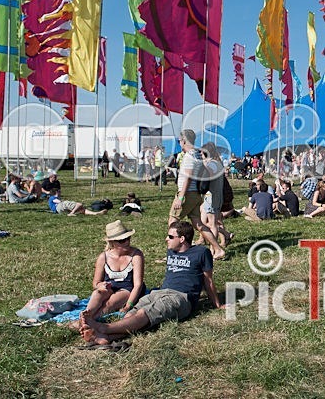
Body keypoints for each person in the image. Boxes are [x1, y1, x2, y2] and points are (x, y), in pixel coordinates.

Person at [80, 221, 222, 345]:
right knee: (130, 316)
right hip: (158, 292)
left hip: (181, 297)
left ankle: (103, 328)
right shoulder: (171, 251)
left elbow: (208, 280)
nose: (166, 239)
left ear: (182, 239)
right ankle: (106, 338)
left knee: (144, 313)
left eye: (171, 237)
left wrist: (217, 304)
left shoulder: (201, 252)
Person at [170, 130, 225, 260]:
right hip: (196, 194)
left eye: (180, 141)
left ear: (184, 141)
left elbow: (188, 177)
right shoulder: (198, 156)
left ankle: (174, 252)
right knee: (199, 224)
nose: (180, 143)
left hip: (187, 193)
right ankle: (218, 249)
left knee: (172, 221)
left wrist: (181, 197)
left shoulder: (190, 156)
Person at [82, 221, 146, 321]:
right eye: (122, 241)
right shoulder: (104, 257)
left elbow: (138, 285)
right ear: (112, 242)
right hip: (110, 287)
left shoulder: (136, 255)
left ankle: (86, 321)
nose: (127, 242)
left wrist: (128, 306)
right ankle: (86, 315)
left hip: (128, 288)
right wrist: (100, 285)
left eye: (128, 238)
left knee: (109, 304)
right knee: (97, 294)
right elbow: (95, 282)